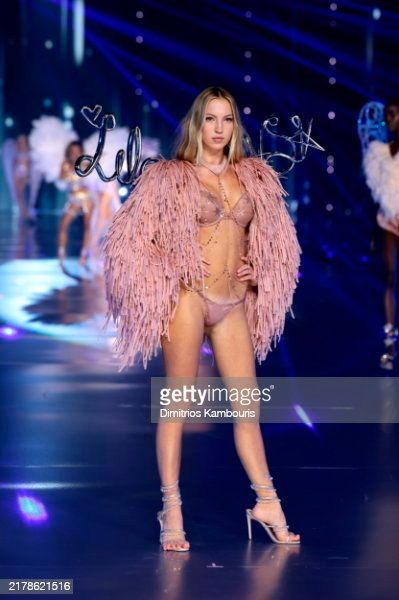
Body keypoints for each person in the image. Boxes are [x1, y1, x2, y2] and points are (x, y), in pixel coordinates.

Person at [102, 86, 301, 551]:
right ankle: (171, 508)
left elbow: (276, 242)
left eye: (226, 120)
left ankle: (267, 502)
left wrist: (259, 265)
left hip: (233, 301)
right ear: (197, 124)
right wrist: (167, 273)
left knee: (247, 408)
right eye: (210, 119)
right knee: (179, 404)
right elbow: (130, 242)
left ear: (235, 126)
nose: (218, 129)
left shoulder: (252, 177)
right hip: (188, 297)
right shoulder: (172, 177)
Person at [363, 98, 399, 370]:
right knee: (390, 279)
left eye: (395, 114)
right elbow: (378, 191)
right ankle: (390, 343)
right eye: (388, 114)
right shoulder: (378, 152)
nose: (390, 118)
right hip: (389, 223)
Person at [56, 141, 95, 268]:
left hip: (87, 198)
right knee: (63, 224)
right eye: (72, 151)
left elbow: (93, 181)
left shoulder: (87, 163)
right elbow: (61, 181)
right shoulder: (65, 165)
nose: (75, 153)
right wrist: (66, 172)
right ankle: (61, 255)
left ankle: (84, 255)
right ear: (69, 152)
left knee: (87, 226)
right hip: (73, 199)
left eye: (77, 151)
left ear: (81, 151)